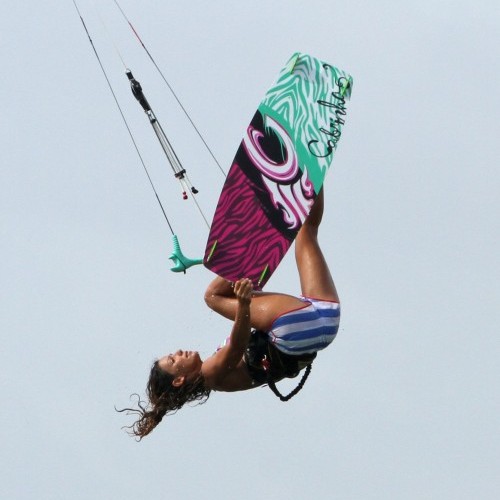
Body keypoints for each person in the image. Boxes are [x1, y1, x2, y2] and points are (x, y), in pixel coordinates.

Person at [122, 190, 340, 439]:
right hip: (291, 330)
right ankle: (263, 229)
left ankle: (313, 174)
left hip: (324, 324)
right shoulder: (210, 375)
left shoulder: (220, 379)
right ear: (179, 380)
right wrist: (244, 305)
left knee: (307, 232)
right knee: (212, 297)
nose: (177, 352)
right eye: (173, 360)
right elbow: (237, 347)